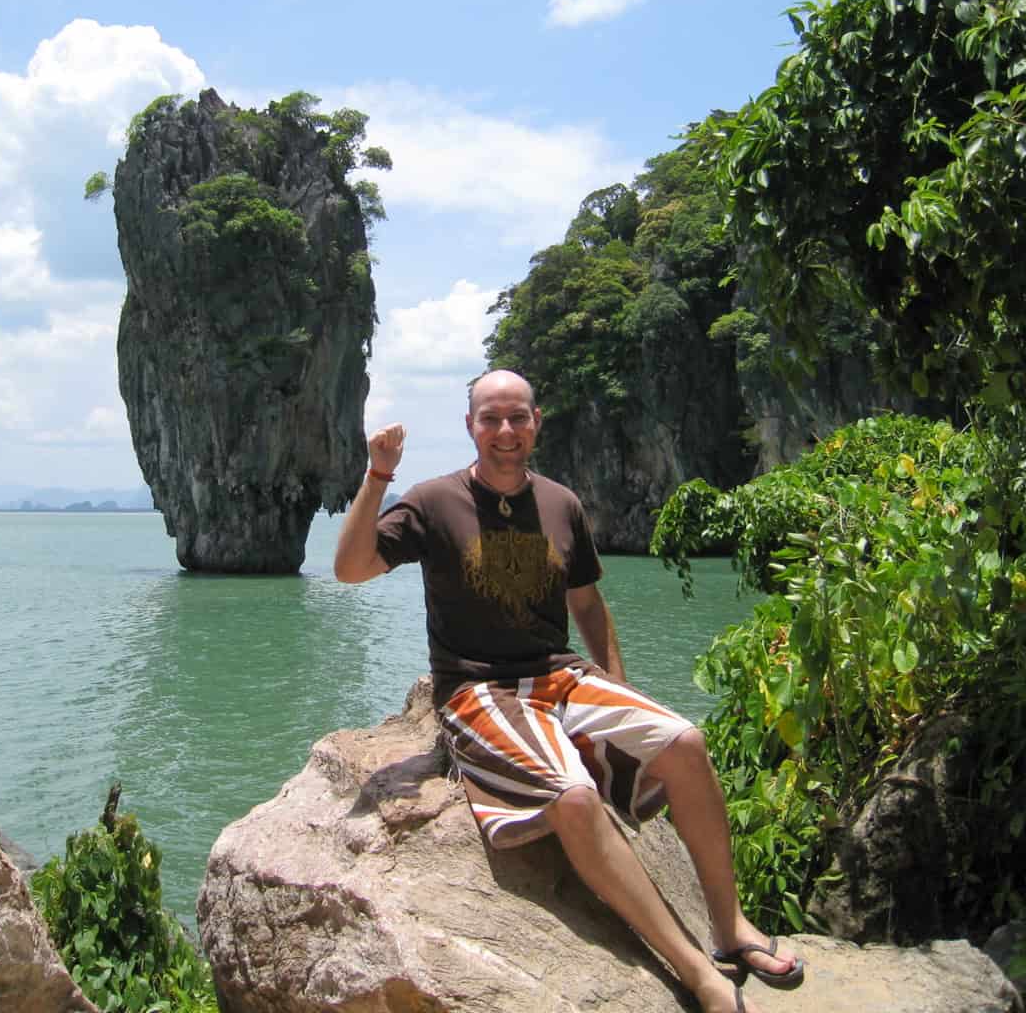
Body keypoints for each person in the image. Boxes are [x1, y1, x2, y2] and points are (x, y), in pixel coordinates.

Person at [334, 369, 804, 1013]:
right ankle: (697, 970)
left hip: (561, 674)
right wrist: (378, 475)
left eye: (518, 417)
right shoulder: (433, 501)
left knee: (685, 742)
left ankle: (730, 926)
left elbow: (586, 602)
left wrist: (620, 691)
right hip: (479, 689)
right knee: (573, 796)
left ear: (536, 422)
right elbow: (351, 568)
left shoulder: (561, 503)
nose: (505, 431)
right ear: (470, 425)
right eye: (491, 418)